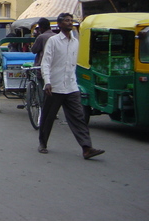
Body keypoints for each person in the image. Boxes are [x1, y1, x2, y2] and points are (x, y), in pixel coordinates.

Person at [39, 12, 105, 160]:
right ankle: (43, 143)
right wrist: (47, 81)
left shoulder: (75, 42)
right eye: (67, 21)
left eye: (71, 20)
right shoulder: (53, 41)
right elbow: (46, 62)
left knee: (78, 117)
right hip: (54, 86)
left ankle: (86, 148)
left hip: (71, 87)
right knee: (48, 117)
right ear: (60, 24)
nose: (70, 23)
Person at [31, 17, 56, 82]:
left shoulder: (41, 37)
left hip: (43, 65)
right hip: (55, 65)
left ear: (41, 27)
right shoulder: (56, 36)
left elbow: (34, 50)